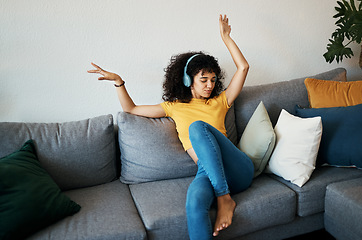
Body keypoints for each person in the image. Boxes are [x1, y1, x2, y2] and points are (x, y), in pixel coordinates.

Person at [88, 14, 254, 240]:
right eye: (203, 79)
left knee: (197, 128)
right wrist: (119, 81)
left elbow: (243, 67)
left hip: (238, 170)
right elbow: (132, 109)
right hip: (207, 172)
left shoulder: (220, 101)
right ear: (188, 80)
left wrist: (226, 37)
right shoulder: (173, 107)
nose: (210, 85)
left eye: (213, 80)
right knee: (194, 203)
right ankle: (220, 195)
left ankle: (225, 198)